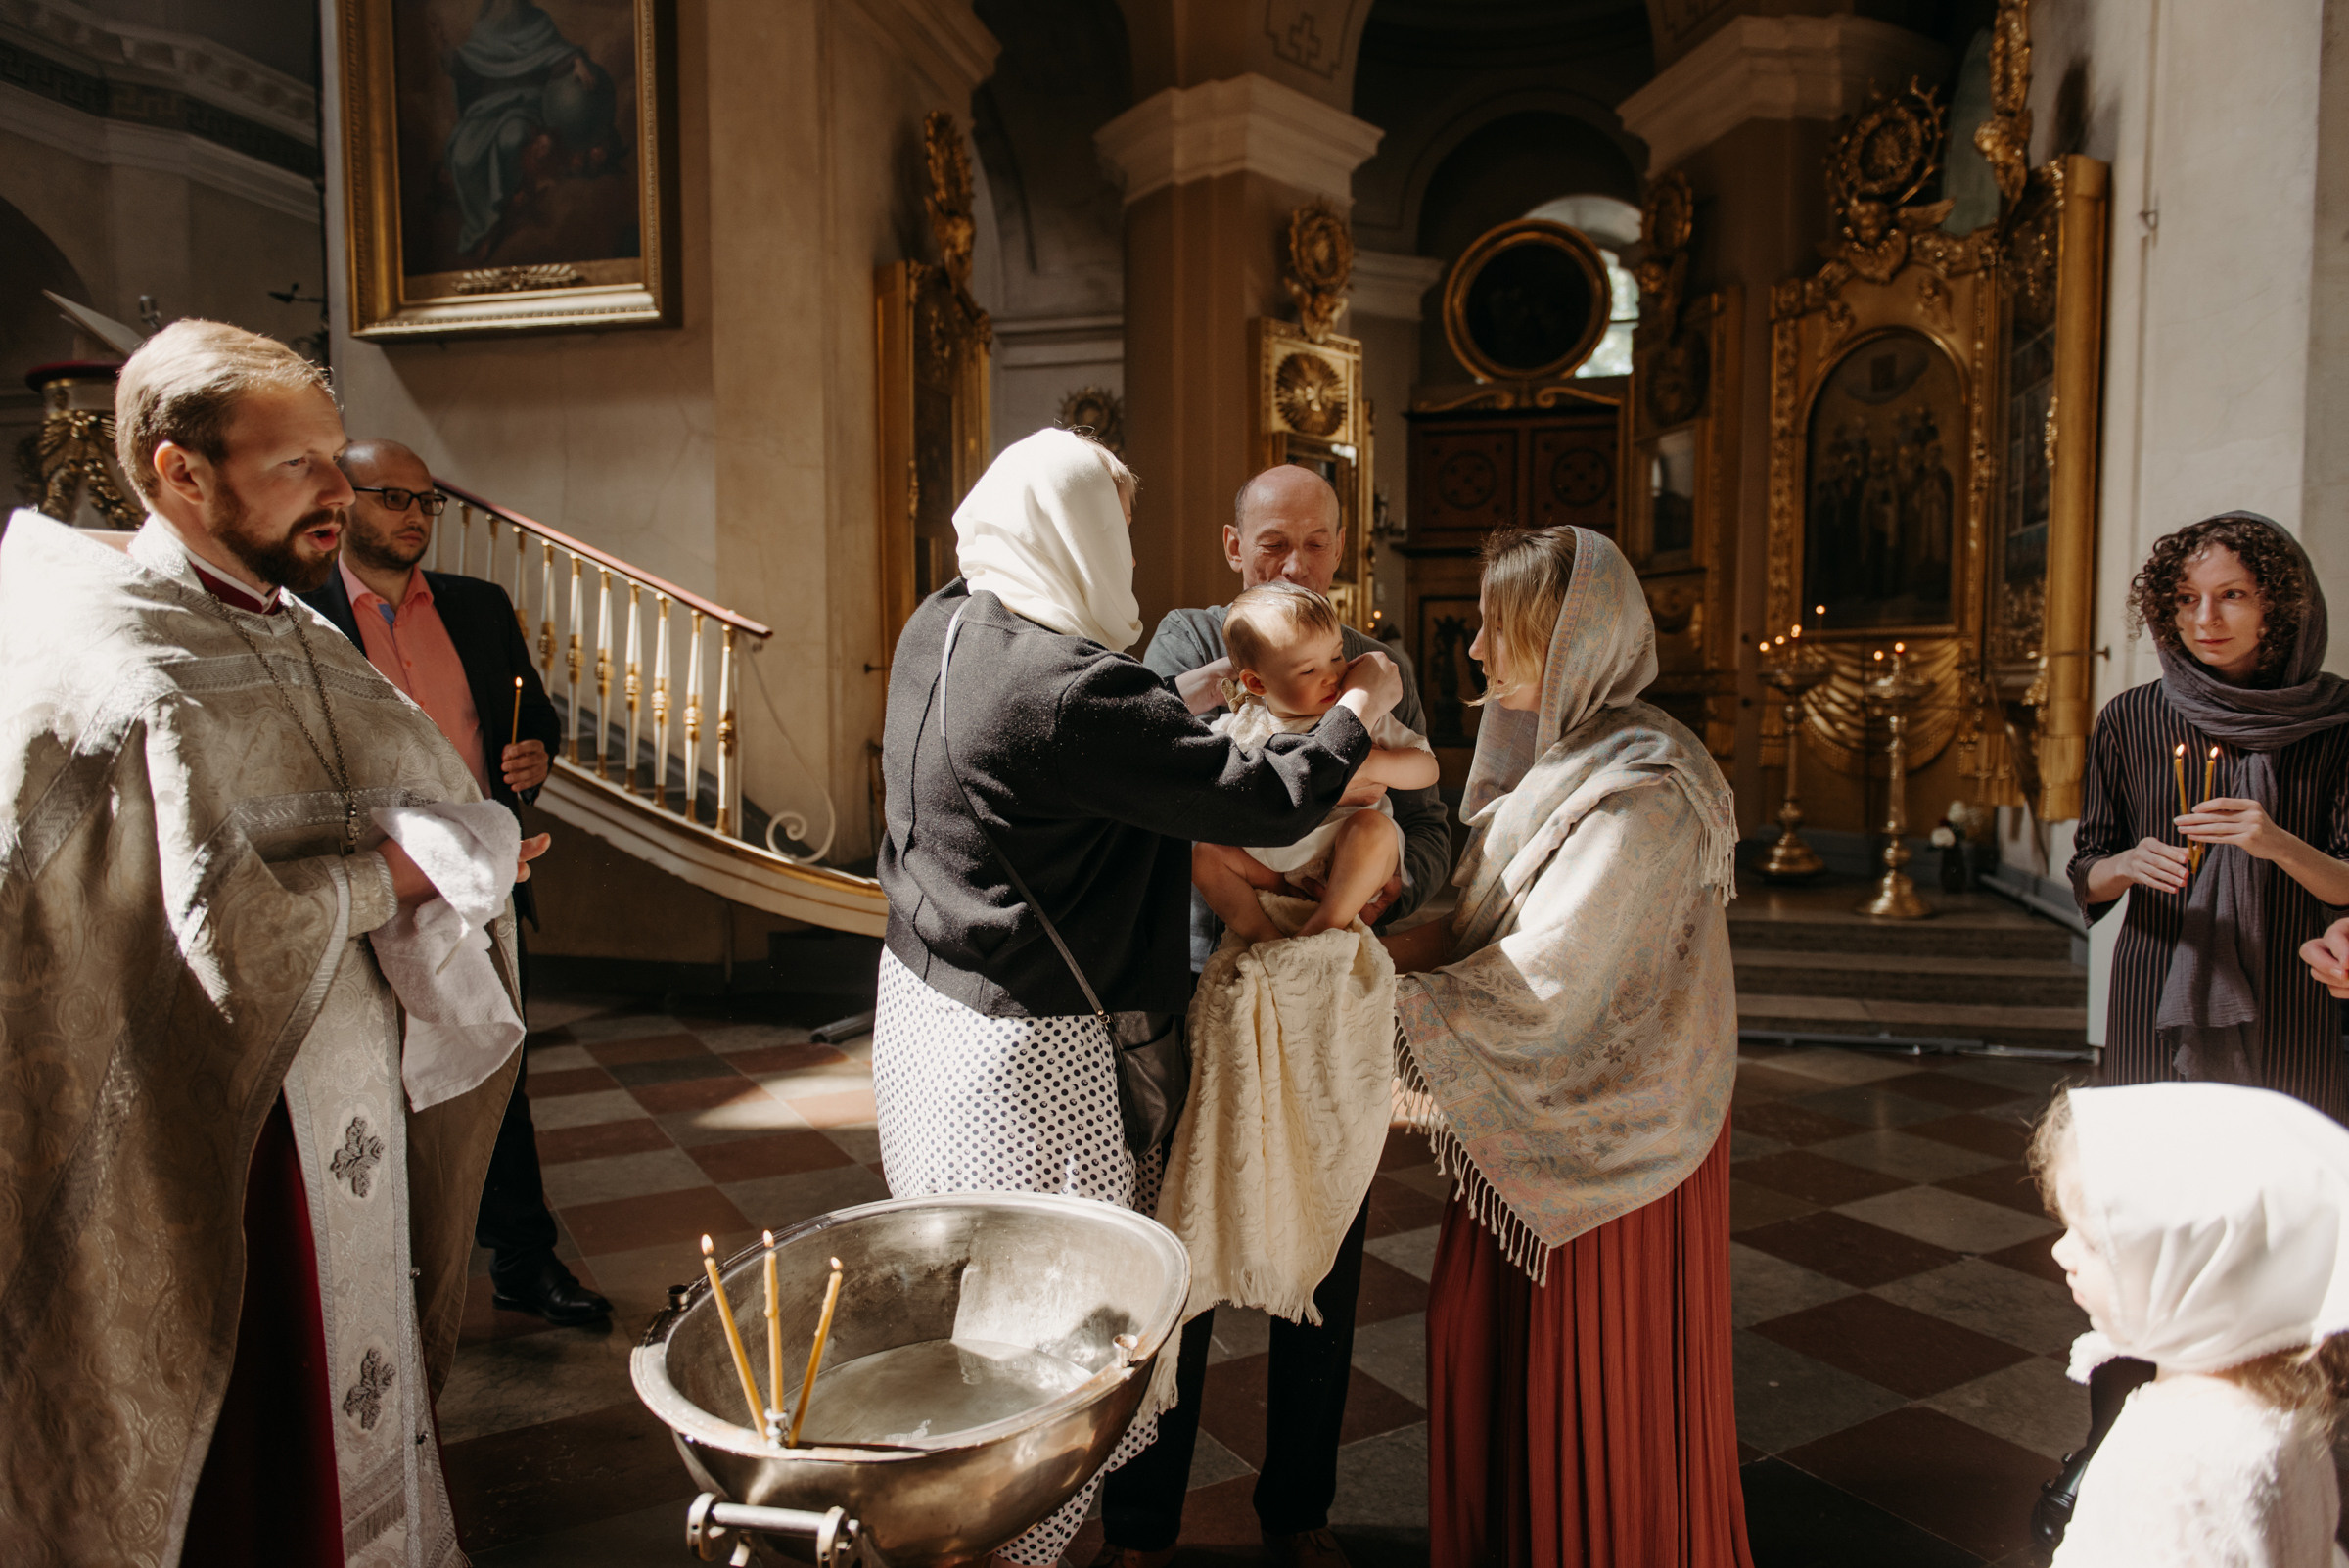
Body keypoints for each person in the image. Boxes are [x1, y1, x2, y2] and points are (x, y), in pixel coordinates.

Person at [0, 320, 545, 1566]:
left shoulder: (293, 630)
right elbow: (185, 937)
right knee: (258, 1419)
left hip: (346, 1082)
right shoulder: (108, 651)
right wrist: (401, 872)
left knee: (355, 1386)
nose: (340, 492)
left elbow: (399, 797)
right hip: (211, 1123)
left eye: (333, 460)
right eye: (298, 463)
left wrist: (463, 858)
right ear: (180, 473)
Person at [874, 428, 1402, 1568]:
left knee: (981, 1297)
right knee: (1068, 1323)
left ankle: (994, 1525)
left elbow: (1084, 750)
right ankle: (1025, 1539)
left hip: (932, 1015)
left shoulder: (943, 622)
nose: (1123, 547)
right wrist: (1363, 696)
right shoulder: (1070, 689)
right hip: (1040, 1057)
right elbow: (1267, 799)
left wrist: (1181, 695)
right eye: (1111, 525)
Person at [1377, 526, 1750, 1568]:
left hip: (1615, 1140)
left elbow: (1548, 985)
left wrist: (1356, 1000)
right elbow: (1465, 919)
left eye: (1503, 628)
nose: (1478, 650)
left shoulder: (1648, 786)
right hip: (1535, 1115)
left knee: (1587, 1375)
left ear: (1571, 639)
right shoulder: (1566, 765)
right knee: (1480, 1348)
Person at [1107, 464, 1449, 1568]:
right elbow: (1148, 785)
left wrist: (1389, 880)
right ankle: (1143, 1528)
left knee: (1327, 1262)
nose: (1293, 565)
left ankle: (1298, 1513)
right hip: (1199, 991)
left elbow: (1434, 825)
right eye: (1272, 545)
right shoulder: (1184, 644)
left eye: (1313, 546)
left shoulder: (1369, 665)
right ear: (1229, 543)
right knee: (1176, 1267)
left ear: (1339, 549)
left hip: (1325, 1013)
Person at [2045, 512, 2349, 1548]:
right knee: (2146, 1230)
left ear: (2281, 606)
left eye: (2233, 596)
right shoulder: (2134, 717)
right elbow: (2082, 866)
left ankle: (2297, 1452)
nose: (2206, 619)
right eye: (2185, 600)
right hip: (2157, 1006)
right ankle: (2110, 1444)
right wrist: (2124, 866)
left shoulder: (2338, 724)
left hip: (2297, 1008)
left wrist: (2276, 843)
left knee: (2289, 1229)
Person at [302, 438, 608, 1328]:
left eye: (427, 503)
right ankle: (385, 1279)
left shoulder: (477, 606)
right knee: (375, 1081)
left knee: (499, 1067)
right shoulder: (303, 613)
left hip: (478, 879)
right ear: (344, 500)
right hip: (377, 881)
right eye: (393, 497)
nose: (414, 516)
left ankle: (524, 1259)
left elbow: (530, 710)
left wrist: (534, 754)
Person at [2028, 1083, 2349, 1565]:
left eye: (2093, 1243)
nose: (2060, 1251)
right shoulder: (2285, 1407)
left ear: (2194, 1274)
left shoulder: (2178, 1463)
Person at [1192, 582, 1438, 943]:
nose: (1332, 675)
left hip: (1343, 861)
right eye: (1308, 670)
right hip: (1272, 864)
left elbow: (1427, 766)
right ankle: (1265, 940)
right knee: (1206, 854)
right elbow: (1209, 786)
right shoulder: (1242, 723)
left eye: (1336, 656)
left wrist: (1369, 763)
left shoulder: (1360, 709)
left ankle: (1323, 928)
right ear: (1256, 683)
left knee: (1374, 830)